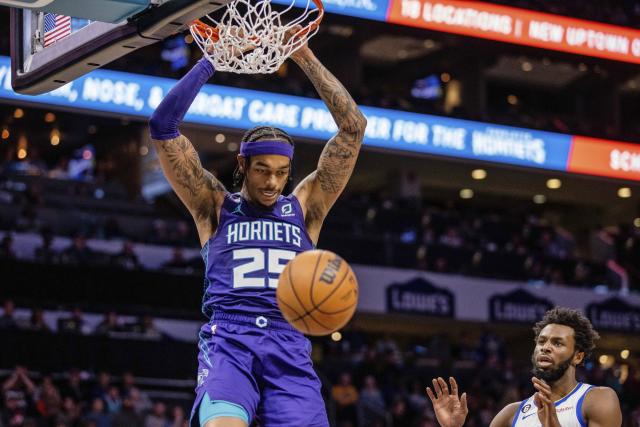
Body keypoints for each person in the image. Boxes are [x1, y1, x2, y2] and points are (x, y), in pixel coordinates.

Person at [149, 26, 366, 427]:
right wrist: (210, 61)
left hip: (289, 345)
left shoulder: (305, 208)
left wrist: (303, 55)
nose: (271, 182)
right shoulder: (213, 206)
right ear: (243, 166)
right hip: (230, 342)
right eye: (262, 171)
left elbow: (352, 128)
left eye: (281, 173)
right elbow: (163, 126)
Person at [426, 307, 622, 427]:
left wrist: (552, 424)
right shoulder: (510, 414)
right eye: (542, 341)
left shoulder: (598, 399)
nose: (546, 347)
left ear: (578, 356)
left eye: (557, 343)